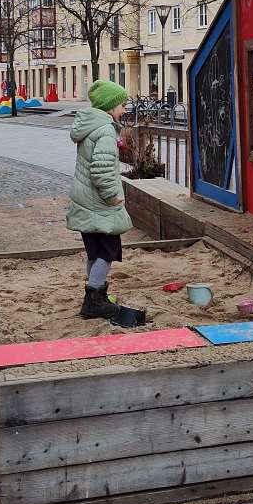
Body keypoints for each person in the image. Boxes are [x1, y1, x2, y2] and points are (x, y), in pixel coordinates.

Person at [66, 80, 146, 328]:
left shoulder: (90, 126)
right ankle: (94, 299)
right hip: (99, 202)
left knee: (94, 249)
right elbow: (101, 171)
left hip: (84, 199)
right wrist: (113, 196)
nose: (124, 110)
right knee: (108, 251)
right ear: (110, 107)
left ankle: (95, 295)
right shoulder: (104, 131)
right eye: (122, 105)